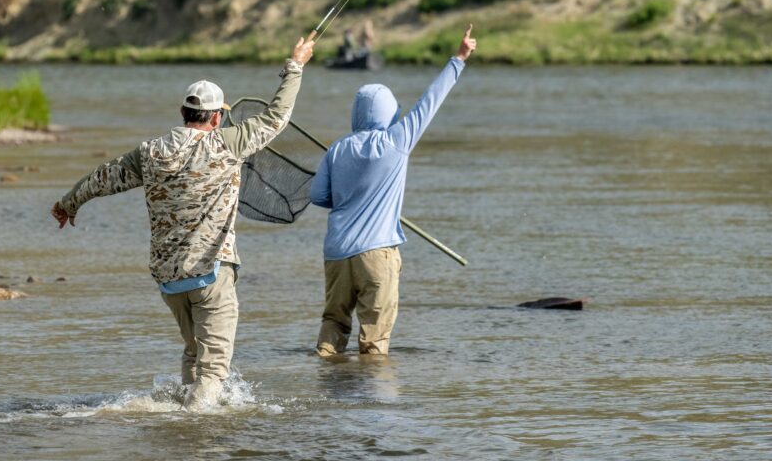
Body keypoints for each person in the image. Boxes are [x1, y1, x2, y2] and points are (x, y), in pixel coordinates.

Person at [51, 36, 315, 409]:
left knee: (194, 353)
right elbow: (276, 117)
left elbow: (102, 177)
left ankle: (186, 443)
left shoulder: (150, 152)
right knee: (213, 371)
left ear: (183, 112)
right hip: (210, 273)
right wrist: (296, 64)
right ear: (218, 117)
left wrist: (68, 204)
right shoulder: (227, 144)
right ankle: (193, 425)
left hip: (170, 282)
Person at [309, 24, 477, 357]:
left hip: (337, 254)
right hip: (377, 255)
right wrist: (458, 58)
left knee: (333, 324)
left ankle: (325, 394)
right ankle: (372, 405)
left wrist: (349, 198)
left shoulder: (336, 149)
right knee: (374, 341)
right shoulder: (396, 141)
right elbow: (430, 101)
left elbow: (318, 197)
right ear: (389, 113)